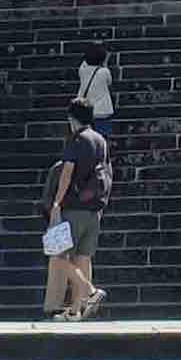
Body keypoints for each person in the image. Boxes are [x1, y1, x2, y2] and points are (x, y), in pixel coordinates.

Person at [45, 100, 108, 320]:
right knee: (83, 259)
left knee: (59, 255)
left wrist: (56, 203)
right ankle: (75, 311)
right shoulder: (100, 140)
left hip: (75, 207)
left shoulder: (77, 139)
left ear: (72, 119)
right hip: (94, 209)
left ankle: (90, 291)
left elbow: (67, 173)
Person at [76, 43, 115, 143]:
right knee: (102, 140)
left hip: (87, 111)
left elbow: (85, 61)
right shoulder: (104, 72)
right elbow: (109, 82)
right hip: (102, 112)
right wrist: (105, 60)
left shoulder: (82, 70)